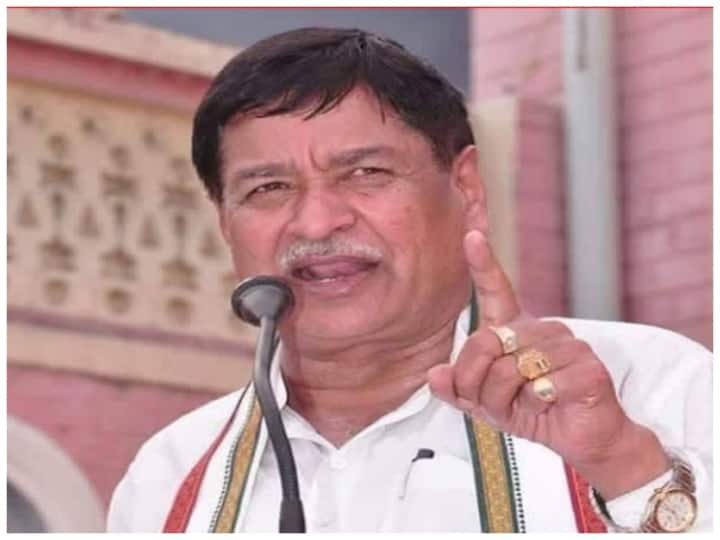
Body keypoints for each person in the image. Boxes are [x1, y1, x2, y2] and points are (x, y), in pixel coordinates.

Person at [107, 27, 712, 533]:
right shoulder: (170, 476)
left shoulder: (647, 387)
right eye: (268, 188)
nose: (316, 221)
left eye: (366, 173)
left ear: (466, 188)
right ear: (225, 224)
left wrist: (623, 464)